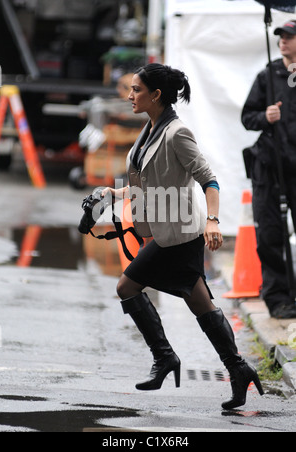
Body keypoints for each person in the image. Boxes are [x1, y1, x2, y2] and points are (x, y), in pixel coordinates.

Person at [102, 63, 264, 410]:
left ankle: (165, 359)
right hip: (167, 230)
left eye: (136, 90)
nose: (130, 96)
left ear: (156, 95)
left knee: (126, 287)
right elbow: (146, 184)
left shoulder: (177, 133)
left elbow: (209, 179)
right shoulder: (151, 130)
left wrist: (214, 221)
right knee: (199, 301)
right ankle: (239, 370)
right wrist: (111, 194)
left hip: (180, 234)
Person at [242, 20, 296, 319]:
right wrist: (265, 116)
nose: (283, 41)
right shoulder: (268, 75)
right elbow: (247, 117)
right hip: (269, 166)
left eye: (290, 37)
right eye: (281, 37)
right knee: (270, 234)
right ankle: (278, 299)